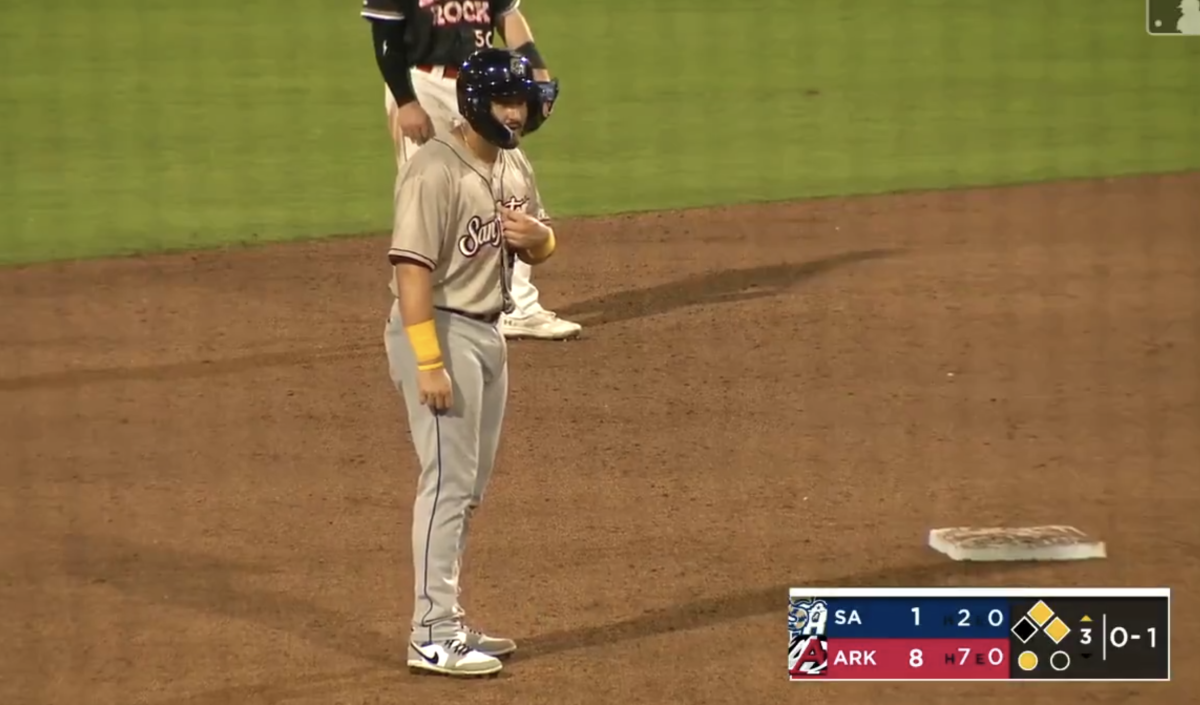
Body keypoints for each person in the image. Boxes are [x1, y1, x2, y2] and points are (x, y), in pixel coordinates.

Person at [383, 48, 559, 678]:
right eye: (504, 101)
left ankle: (448, 618)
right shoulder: (435, 170)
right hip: (439, 333)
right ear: (474, 103)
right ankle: (430, 634)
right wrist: (427, 360)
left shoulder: (512, 163)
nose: (516, 112)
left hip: (490, 334)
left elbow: (540, 239)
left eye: (521, 100)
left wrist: (541, 240)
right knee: (448, 486)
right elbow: (410, 270)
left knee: (470, 488)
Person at [363, 0, 582, 341]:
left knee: (509, 186)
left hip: (484, 86)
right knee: (431, 194)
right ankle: (432, 308)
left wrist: (536, 68)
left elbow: (507, 15)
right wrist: (405, 101)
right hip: (423, 83)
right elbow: (385, 36)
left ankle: (518, 305)